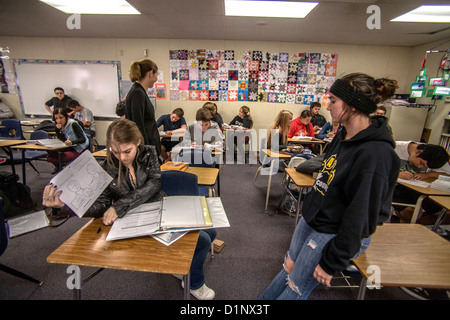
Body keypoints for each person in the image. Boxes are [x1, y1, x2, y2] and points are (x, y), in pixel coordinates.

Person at [259, 72, 400, 300]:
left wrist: (331, 261)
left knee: (296, 287)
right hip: (314, 219)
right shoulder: (343, 134)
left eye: (333, 100)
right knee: (288, 269)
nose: (328, 105)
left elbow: (361, 217)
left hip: (333, 230)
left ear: (353, 105)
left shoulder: (376, 153)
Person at [42, 118, 217, 299]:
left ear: (138, 143)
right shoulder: (108, 166)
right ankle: (194, 283)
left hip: (158, 208)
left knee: (211, 233)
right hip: (134, 221)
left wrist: (119, 206)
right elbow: (101, 205)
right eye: (115, 152)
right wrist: (66, 207)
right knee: (203, 240)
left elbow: (154, 185)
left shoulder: (149, 153)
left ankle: (183, 269)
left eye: (127, 151)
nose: (122, 158)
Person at [392, 141, 450, 224]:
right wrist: (397, 174)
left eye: (424, 166)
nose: (419, 167)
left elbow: (447, 175)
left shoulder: (434, 153)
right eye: (421, 163)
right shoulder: (392, 148)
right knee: (411, 213)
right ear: (418, 152)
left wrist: (427, 175)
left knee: (447, 215)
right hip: (393, 187)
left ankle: (406, 222)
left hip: (416, 190)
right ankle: (405, 221)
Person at [125, 59, 161, 158]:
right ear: (150, 73)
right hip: (145, 151)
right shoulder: (137, 93)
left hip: (148, 148)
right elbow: (138, 125)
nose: (156, 78)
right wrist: (146, 151)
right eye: (156, 75)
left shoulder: (140, 92)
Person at [47, 107, 90, 174]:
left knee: (57, 155)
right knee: (50, 151)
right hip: (70, 146)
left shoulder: (73, 124)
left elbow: (82, 139)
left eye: (61, 117)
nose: (59, 120)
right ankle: (58, 167)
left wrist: (72, 142)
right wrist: (58, 130)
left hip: (79, 148)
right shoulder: (61, 126)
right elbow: (62, 139)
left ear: (66, 117)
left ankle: (60, 168)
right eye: (56, 118)